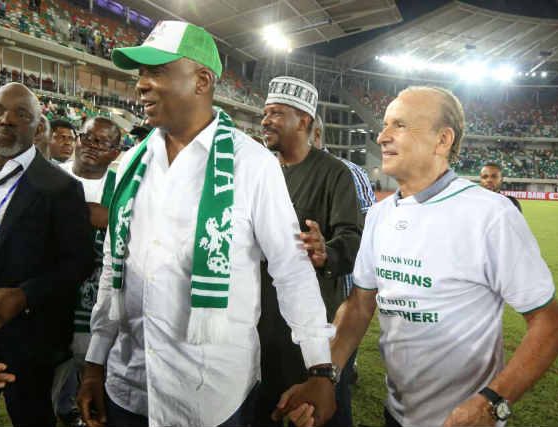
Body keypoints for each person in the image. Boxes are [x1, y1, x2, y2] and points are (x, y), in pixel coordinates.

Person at [77, 20, 335, 427]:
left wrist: (320, 368)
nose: (141, 84)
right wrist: (95, 361)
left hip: (209, 393)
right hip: (128, 382)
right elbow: (114, 268)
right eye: (140, 73)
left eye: (156, 71)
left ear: (201, 81)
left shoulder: (253, 165)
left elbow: (291, 270)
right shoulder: (129, 164)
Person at [284, 86, 558, 427]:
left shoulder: (491, 215)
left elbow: (550, 325)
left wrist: (492, 402)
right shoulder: (379, 215)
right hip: (394, 415)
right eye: (385, 124)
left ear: (442, 140)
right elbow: (360, 305)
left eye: (399, 125)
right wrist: (326, 375)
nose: (382, 136)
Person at [0, 82, 94, 427]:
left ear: (38, 126)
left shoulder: (61, 187)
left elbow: (79, 263)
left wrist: (25, 295)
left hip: (29, 343)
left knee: (31, 417)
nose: (6, 120)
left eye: (21, 114)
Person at [257, 77, 363, 427]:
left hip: (310, 329)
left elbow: (352, 238)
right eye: (265, 112)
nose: (265, 120)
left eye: (276, 113)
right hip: (258, 323)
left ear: (304, 121)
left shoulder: (334, 173)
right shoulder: (261, 171)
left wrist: (326, 252)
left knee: (319, 414)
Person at [52, 117, 120, 427]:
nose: (91, 146)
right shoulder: (50, 176)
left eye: (102, 142)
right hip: (48, 298)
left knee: (91, 375)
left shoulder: (120, 187)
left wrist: (109, 219)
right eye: (87, 137)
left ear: (115, 152)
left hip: (95, 299)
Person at [310, 113, 376, 391]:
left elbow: (366, 234)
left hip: (341, 295)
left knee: (333, 387)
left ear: (314, 134)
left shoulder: (348, 171)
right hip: (298, 298)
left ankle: (347, 367)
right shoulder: (277, 171)